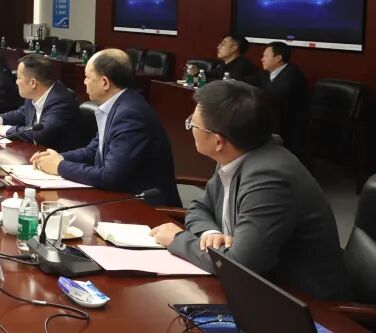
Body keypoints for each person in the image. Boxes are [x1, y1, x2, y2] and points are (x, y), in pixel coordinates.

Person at [149, 80, 348, 300]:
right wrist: (211, 234)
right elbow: (199, 207)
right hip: (257, 283)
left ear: (218, 141)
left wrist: (177, 239)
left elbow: (239, 265)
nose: (190, 128)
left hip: (301, 301)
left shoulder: (269, 178)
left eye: (192, 124)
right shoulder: (236, 152)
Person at [29, 48, 180, 206]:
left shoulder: (130, 114)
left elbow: (110, 176)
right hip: (120, 198)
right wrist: (58, 158)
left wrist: (60, 167)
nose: (84, 82)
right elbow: (93, 151)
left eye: (87, 77)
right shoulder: (118, 105)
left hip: (145, 208)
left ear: (105, 82)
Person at [0, 53, 79, 150]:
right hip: (36, 153)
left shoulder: (61, 101)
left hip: (58, 160)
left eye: (18, 77)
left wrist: (4, 130)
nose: (16, 82)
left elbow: (41, 133)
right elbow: (20, 114)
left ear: (33, 83)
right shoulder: (34, 95)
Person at [258, 41, 308, 155]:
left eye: (265, 56)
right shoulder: (265, 73)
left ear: (278, 58)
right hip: (274, 121)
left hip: (290, 129)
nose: (262, 59)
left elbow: (275, 96)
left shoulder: (292, 74)